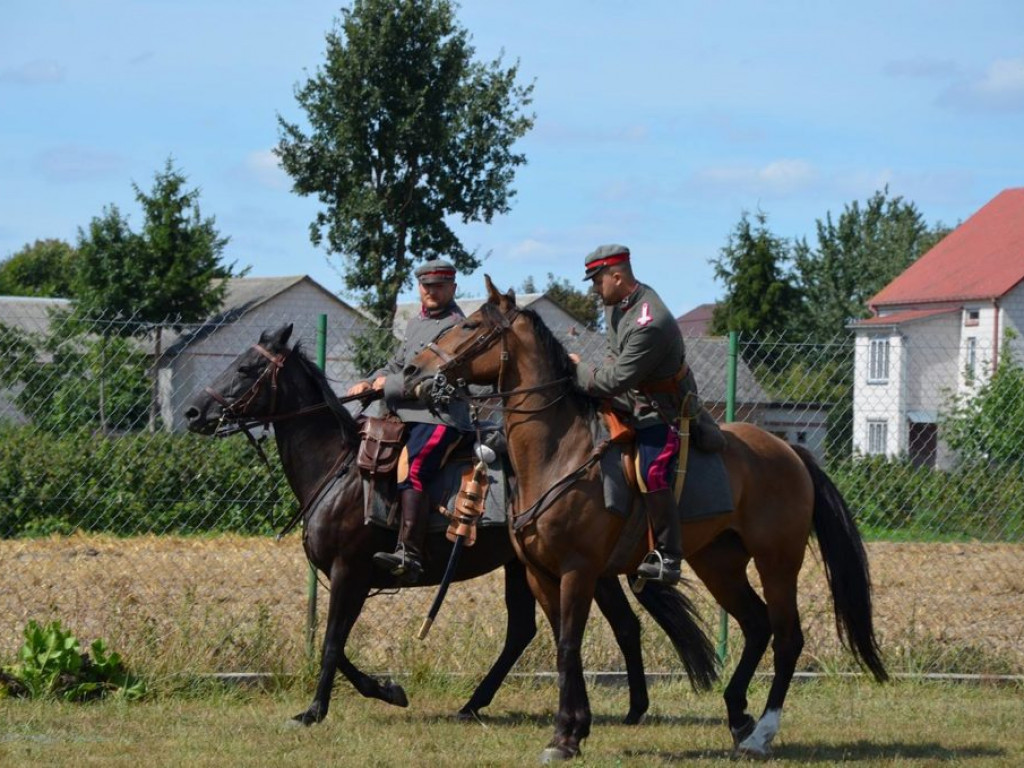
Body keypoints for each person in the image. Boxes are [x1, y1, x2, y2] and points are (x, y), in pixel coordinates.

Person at [569, 244, 724, 585]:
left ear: (617, 275)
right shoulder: (617, 307)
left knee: (651, 470)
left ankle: (668, 555)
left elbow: (618, 377)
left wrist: (578, 371)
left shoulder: (650, 321)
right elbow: (613, 359)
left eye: (597, 281)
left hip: (661, 410)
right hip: (630, 399)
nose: (595, 289)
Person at [347, 259, 467, 584]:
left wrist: (390, 385)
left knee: (414, 468)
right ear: (419, 288)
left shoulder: (457, 327)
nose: (431, 291)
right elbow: (397, 364)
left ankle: (409, 553)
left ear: (453, 289)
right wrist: (370, 381)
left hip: (440, 416)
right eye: (426, 286)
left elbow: (436, 379)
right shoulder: (416, 324)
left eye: (439, 286)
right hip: (404, 416)